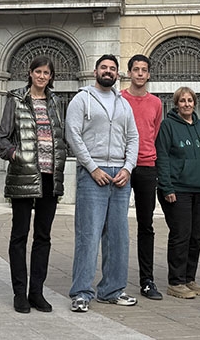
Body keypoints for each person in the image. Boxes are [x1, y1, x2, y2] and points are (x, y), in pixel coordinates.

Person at [65, 54, 140, 313]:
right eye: (104, 67)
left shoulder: (124, 104)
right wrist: (92, 167)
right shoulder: (81, 99)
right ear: (95, 71)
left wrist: (128, 168)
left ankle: (112, 290)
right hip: (92, 174)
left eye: (112, 68)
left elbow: (133, 137)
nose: (108, 71)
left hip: (120, 176)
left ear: (117, 74)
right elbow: (72, 134)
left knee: (118, 237)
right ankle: (81, 293)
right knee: (88, 235)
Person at [0, 56, 68, 313]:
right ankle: (20, 293)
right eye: (38, 71)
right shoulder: (16, 99)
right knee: (19, 235)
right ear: (30, 73)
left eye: (46, 73)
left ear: (51, 77)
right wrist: (16, 155)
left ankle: (36, 292)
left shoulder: (55, 102)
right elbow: (3, 138)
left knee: (43, 236)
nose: (42, 76)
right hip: (23, 176)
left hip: (50, 177)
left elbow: (61, 135)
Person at [154, 86, 200, 300]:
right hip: (179, 189)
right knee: (181, 235)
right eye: (182, 101)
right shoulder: (168, 126)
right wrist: (166, 187)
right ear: (176, 104)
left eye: (190, 100)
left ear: (194, 103)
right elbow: (162, 157)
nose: (186, 104)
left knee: (197, 236)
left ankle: (189, 278)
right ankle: (176, 281)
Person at [120, 54, 164, 300]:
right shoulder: (119, 98)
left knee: (146, 225)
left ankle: (147, 280)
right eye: (135, 69)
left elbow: (153, 132)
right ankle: (115, 279)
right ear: (129, 73)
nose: (139, 73)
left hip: (147, 166)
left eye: (143, 70)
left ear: (148, 74)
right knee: (116, 224)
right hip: (121, 167)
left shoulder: (156, 103)